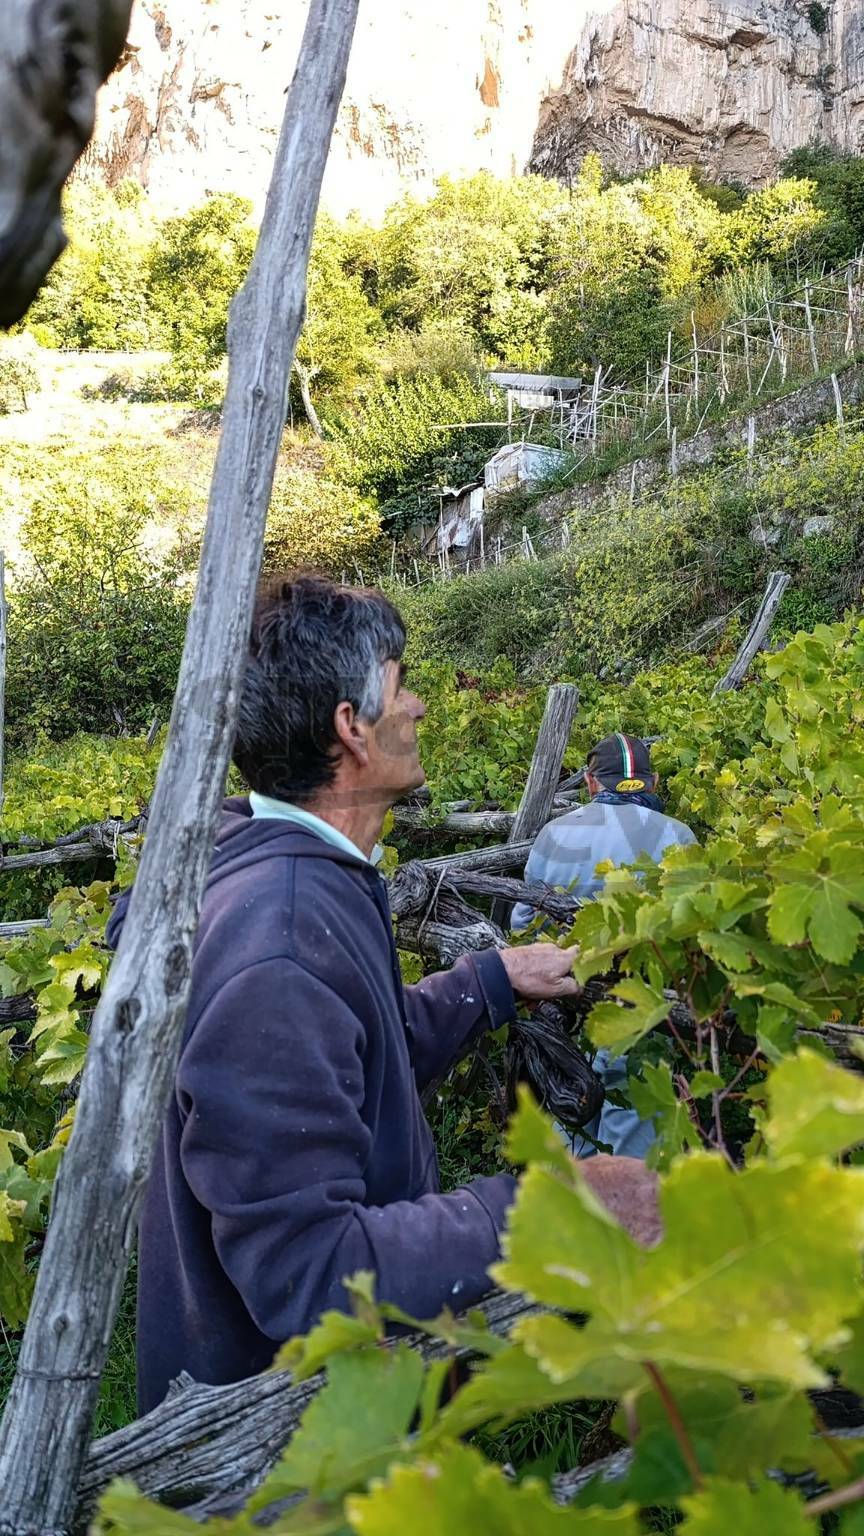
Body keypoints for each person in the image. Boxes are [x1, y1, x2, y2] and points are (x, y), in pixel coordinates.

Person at [109, 574, 642, 1414]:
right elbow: (310, 1270)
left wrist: (493, 980)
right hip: (285, 1449)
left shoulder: (288, 867)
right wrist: (554, 1207)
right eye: (402, 684)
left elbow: (352, 1057)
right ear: (350, 728)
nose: (421, 705)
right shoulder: (279, 943)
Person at [512, 732, 697, 1160]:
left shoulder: (554, 833)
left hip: (565, 1005)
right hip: (641, 1011)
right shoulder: (679, 835)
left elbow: (523, 923)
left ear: (592, 782)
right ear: (650, 783)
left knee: (566, 1126)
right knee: (630, 1147)